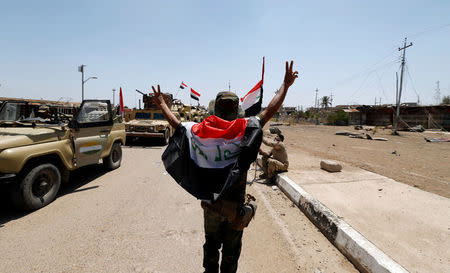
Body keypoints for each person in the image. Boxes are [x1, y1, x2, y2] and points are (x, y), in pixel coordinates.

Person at [151, 60, 298, 273]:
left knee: (211, 246)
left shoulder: (200, 131)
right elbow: (270, 110)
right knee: (231, 254)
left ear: (216, 109)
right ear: (236, 109)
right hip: (235, 211)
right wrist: (285, 85)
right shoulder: (247, 128)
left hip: (211, 207)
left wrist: (163, 105)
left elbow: (177, 124)